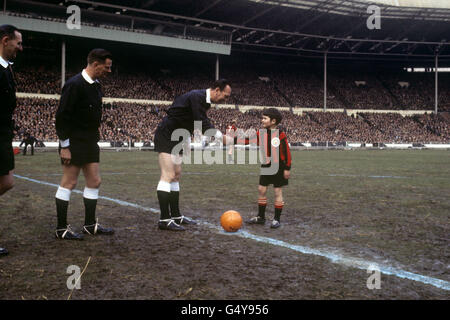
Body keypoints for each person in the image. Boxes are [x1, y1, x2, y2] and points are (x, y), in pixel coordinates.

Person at [154, 79, 232, 231]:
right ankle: (164, 219)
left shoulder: (205, 101)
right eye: (226, 95)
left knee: (176, 175)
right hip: (167, 134)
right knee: (168, 175)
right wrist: (222, 137)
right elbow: (201, 122)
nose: (226, 99)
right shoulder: (198, 97)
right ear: (217, 90)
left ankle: (176, 216)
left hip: (179, 136)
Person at [54, 48, 114, 240]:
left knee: (95, 181)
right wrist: (65, 146)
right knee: (69, 183)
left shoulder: (96, 85)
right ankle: (61, 228)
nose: (109, 71)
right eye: (107, 67)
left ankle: (89, 225)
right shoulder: (74, 84)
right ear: (95, 64)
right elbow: (62, 117)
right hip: (73, 142)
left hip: (90, 140)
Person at [246, 108, 291, 229]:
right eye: (262, 118)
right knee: (261, 190)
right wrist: (231, 140)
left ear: (273, 121)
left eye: (265, 118)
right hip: (266, 165)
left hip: (279, 167)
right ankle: (261, 217)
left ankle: (276, 219)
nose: (262, 120)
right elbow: (247, 140)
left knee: (277, 192)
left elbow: (287, 152)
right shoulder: (261, 133)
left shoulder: (281, 135)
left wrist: (287, 168)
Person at [0, 24, 22, 256]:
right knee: (6, 182)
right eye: (18, 42)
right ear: (5, 40)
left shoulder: (6, 68)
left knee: (7, 181)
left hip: (3, 133)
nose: (20, 47)